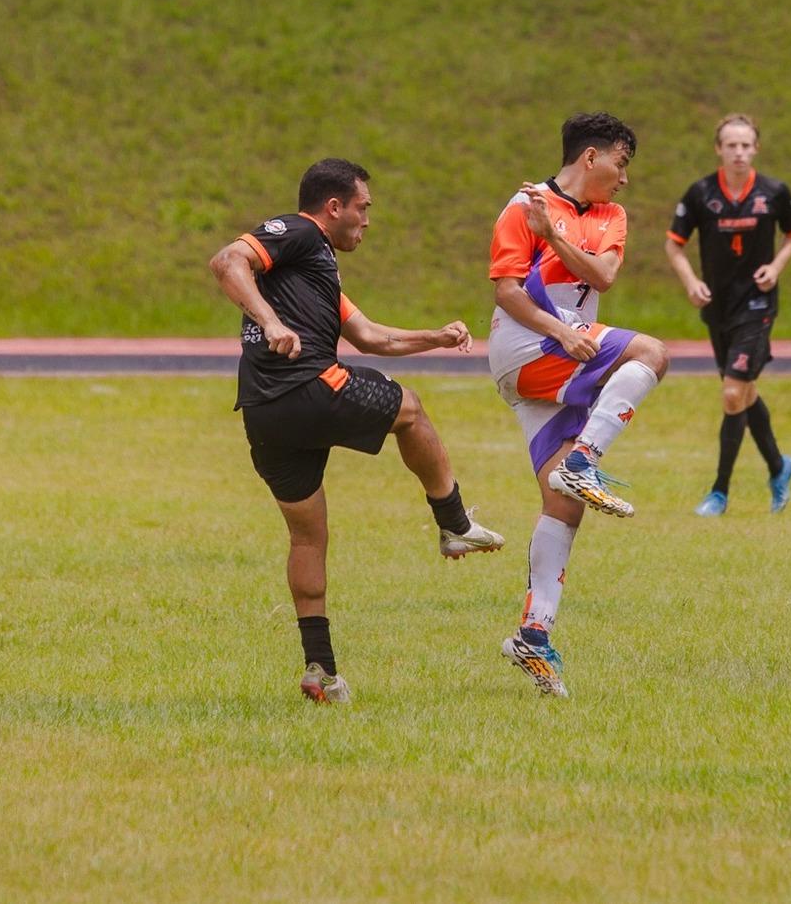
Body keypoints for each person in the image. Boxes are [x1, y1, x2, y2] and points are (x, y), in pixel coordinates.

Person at [209, 158, 504, 705]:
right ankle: (455, 522)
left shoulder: (313, 270)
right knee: (410, 409)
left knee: (306, 537)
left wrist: (435, 337)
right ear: (334, 206)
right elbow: (227, 261)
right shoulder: (299, 231)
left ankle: (320, 670)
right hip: (308, 385)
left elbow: (371, 337)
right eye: (363, 209)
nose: (367, 222)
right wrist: (272, 324)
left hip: (263, 413)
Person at [487, 112, 669, 698]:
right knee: (652, 352)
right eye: (620, 162)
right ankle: (586, 457)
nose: (624, 178)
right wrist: (561, 334)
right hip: (530, 343)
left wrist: (558, 235)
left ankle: (533, 636)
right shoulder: (522, 207)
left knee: (562, 506)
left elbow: (605, 277)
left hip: (565, 352)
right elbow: (507, 291)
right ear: (590, 157)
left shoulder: (610, 217)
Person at [664, 113, 791, 516]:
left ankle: (719, 493)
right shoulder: (700, 193)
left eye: (746, 145)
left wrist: (776, 268)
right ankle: (779, 467)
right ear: (719, 150)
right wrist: (691, 282)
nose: (739, 152)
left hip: (758, 305)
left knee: (731, 393)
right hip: (718, 308)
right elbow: (674, 246)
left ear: (756, 148)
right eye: (731, 145)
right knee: (744, 392)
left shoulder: (774, 192)